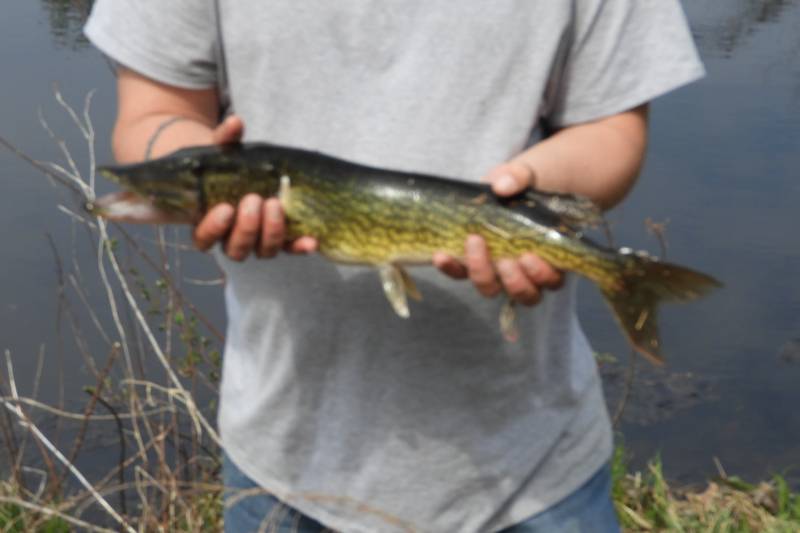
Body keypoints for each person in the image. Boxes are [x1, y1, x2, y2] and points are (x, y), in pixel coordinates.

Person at [85, 2, 703, 531]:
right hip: (285, 467)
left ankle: (622, 280)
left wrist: (537, 192)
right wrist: (183, 159)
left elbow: (612, 126)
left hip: (537, 473)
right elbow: (152, 114)